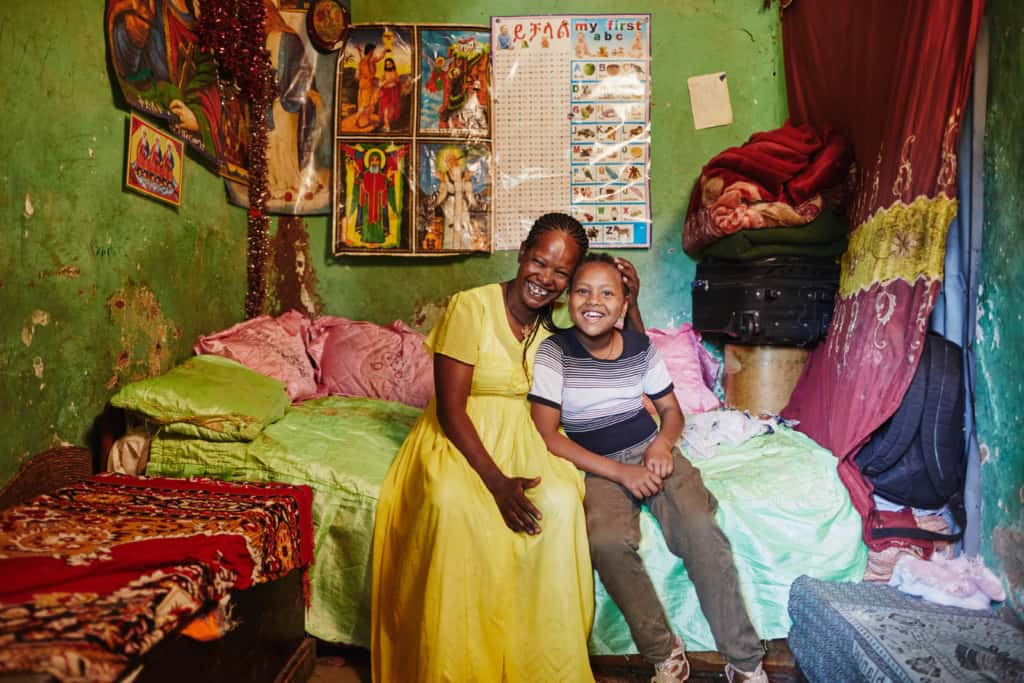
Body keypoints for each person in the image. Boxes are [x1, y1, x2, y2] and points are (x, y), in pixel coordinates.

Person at [372, 214, 643, 682]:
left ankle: (536, 668)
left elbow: (628, 360)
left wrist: (631, 302)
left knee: (559, 502)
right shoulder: (470, 307)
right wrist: (497, 484)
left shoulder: (557, 333)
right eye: (539, 263)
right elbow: (451, 410)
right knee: (452, 503)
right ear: (522, 254)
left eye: (561, 273)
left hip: (531, 433)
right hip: (462, 433)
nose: (546, 279)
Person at [528, 253, 770, 683]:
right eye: (582, 291)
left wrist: (661, 443)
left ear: (623, 306)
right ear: (567, 299)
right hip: (599, 465)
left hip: (648, 448)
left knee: (700, 530)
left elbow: (671, 412)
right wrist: (621, 473)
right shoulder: (555, 351)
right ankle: (664, 651)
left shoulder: (640, 348)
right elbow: (548, 435)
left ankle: (744, 660)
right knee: (605, 541)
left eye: (607, 293)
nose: (593, 301)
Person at [376, 57, 401, 131]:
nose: (388, 65)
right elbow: (379, 84)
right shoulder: (384, 73)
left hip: (393, 92)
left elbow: (397, 81)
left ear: (393, 64)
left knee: (391, 110)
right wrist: (386, 82)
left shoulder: (395, 72)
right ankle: (387, 126)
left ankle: (386, 124)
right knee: (386, 110)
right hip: (386, 92)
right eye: (387, 64)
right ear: (385, 65)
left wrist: (395, 81)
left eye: (390, 64)